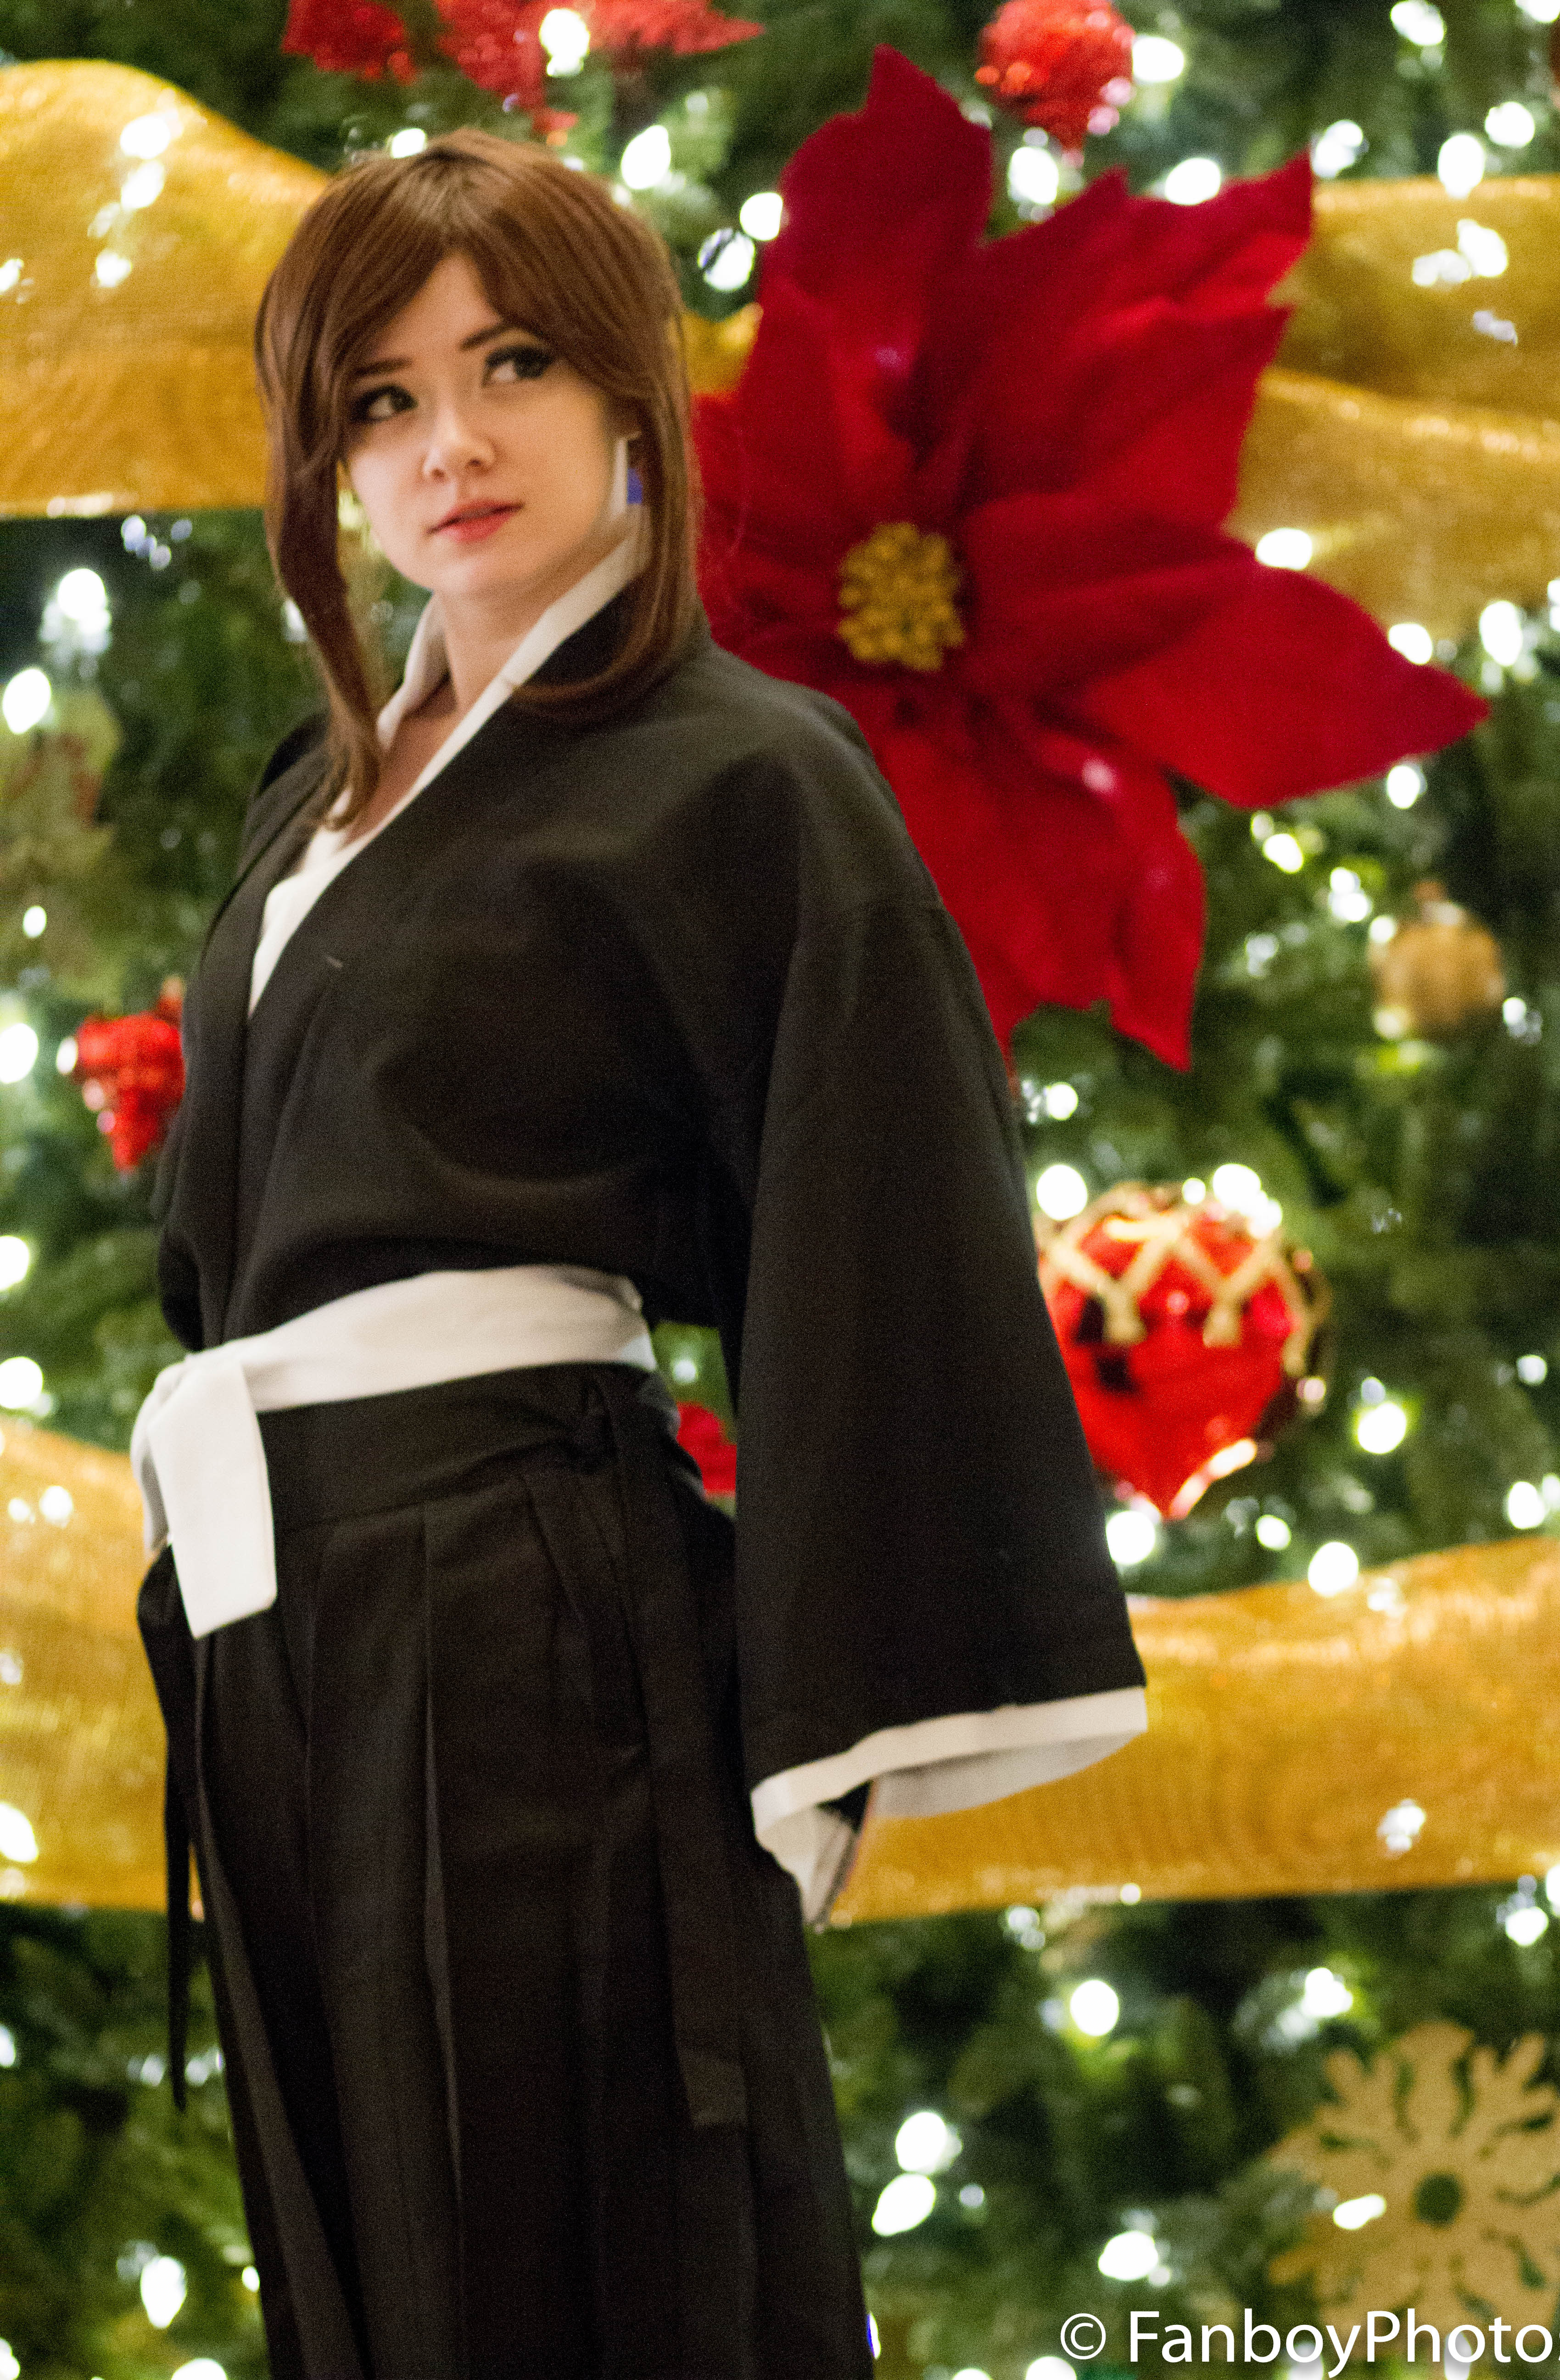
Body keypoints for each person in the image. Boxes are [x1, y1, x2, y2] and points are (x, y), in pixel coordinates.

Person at [132, 127, 1147, 2380]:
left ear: (626, 392)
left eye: (510, 364)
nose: (451, 443)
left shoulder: (745, 774)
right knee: (367, 2288)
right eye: (382, 399)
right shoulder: (322, 797)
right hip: (288, 1612)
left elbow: (878, 1198)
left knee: (574, 2258)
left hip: (522, 1612)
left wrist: (817, 1722)